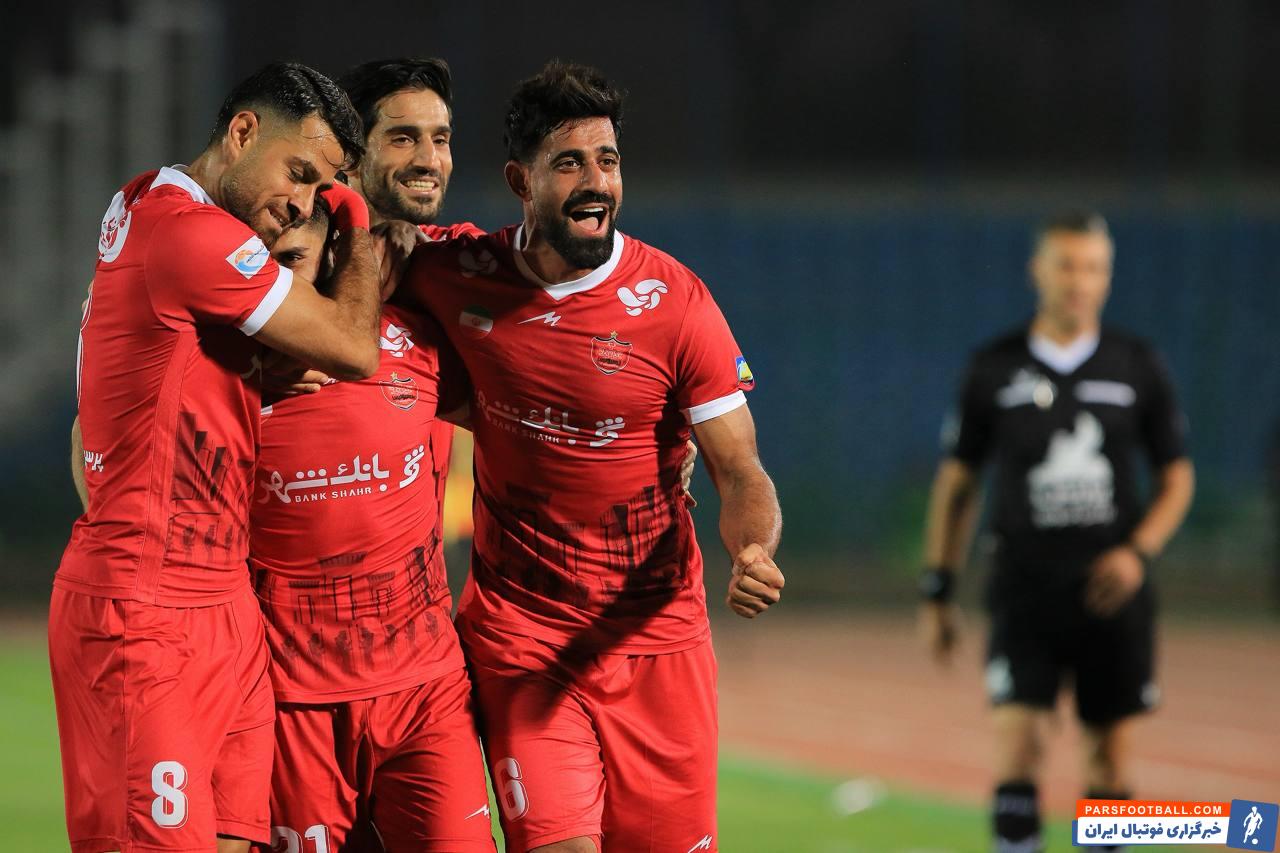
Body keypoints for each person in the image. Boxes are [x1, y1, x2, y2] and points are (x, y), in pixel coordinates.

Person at [398, 60, 784, 853]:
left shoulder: (676, 301)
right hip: (523, 638)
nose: (596, 182)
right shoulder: (454, 274)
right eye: (569, 162)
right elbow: (354, 257)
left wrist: (752, 547)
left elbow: (740, 466)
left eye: (607, 160)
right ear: (521, 179)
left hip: (657, 642)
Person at [51, 62, 380, 853]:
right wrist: (357, 222)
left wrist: (253, 373)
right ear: (241, 133)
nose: (304, 202)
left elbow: (117, 400)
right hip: (146, 611)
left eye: (323, 188)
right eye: (299, 172)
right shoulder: (189, 233)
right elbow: (353, 348)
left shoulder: (142, 200)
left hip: (224, 602)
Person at [919, 211, 1195, 853]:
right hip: (1024, 592)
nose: (1079, 281)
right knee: (1018, 746)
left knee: (1110, 763)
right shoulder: (994, 367)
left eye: (1094, 268)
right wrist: (938, 589)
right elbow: (957, 486)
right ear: (1037, 271)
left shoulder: (1137, 364)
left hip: (1113, 597)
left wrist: (1138, 553)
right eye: (1067, 265)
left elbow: (1177, 479)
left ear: (1108, 277)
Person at [250, 190, 495, 851]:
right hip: (291, 698)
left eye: (293, 259)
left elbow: (524, 418)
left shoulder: (411, 338)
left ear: (333, 254)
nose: (278, 280)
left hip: (424, 690)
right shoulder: (224, 368)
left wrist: (662, 442)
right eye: (264, 261)